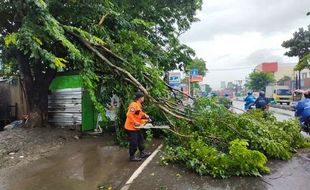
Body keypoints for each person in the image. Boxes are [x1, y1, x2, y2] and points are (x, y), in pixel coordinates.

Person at [124, 92, 151, 161]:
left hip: (137, 127)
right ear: (140, 98)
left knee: (140, 139)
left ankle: (142, 153)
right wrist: (135, 122)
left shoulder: (138, 105)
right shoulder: (133, 105)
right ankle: (132, 157)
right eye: (143, 97)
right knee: (134, 142)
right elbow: (129, 115)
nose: (143, 99)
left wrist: (145, 116)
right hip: (131, 127)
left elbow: (139, 113)